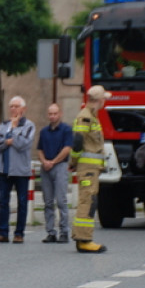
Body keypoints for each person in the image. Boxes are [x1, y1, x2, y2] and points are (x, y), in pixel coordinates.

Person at [0, 96, 35, 244]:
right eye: (11, 106)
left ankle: (19, 233)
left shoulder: (29, 126)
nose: (13, 109)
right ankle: (3, 233)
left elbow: (23, 144)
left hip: (21, 171)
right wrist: (6, 142)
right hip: (4, 169)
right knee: (3, 202)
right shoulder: (3, 125)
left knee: (22, 202)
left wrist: (14, 131)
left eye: (16, 106)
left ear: (23, 109)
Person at [70, 85, 111, 254]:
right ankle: (84, 240)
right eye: (104, 99)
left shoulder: (92, 117)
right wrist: (74, 161)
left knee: (89, 201)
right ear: (99, 100)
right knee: (87, 202)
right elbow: (78, 142)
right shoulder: (85, 117)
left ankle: (83, 238)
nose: (105, 102)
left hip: (91, 168)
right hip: (87, 168)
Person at [37, 103, 73, 244]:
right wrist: (44, 161)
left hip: (60, 166)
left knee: (61, 200)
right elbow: (39, 149)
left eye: (55, 113)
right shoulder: (44, 131)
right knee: (48, 202)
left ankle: (64, 231)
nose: (52, 116)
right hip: (46, 168)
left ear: (60, 114)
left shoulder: (66, 130)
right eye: (50, 114)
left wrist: (53, 162)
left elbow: (67, 149)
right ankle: (50, 232)